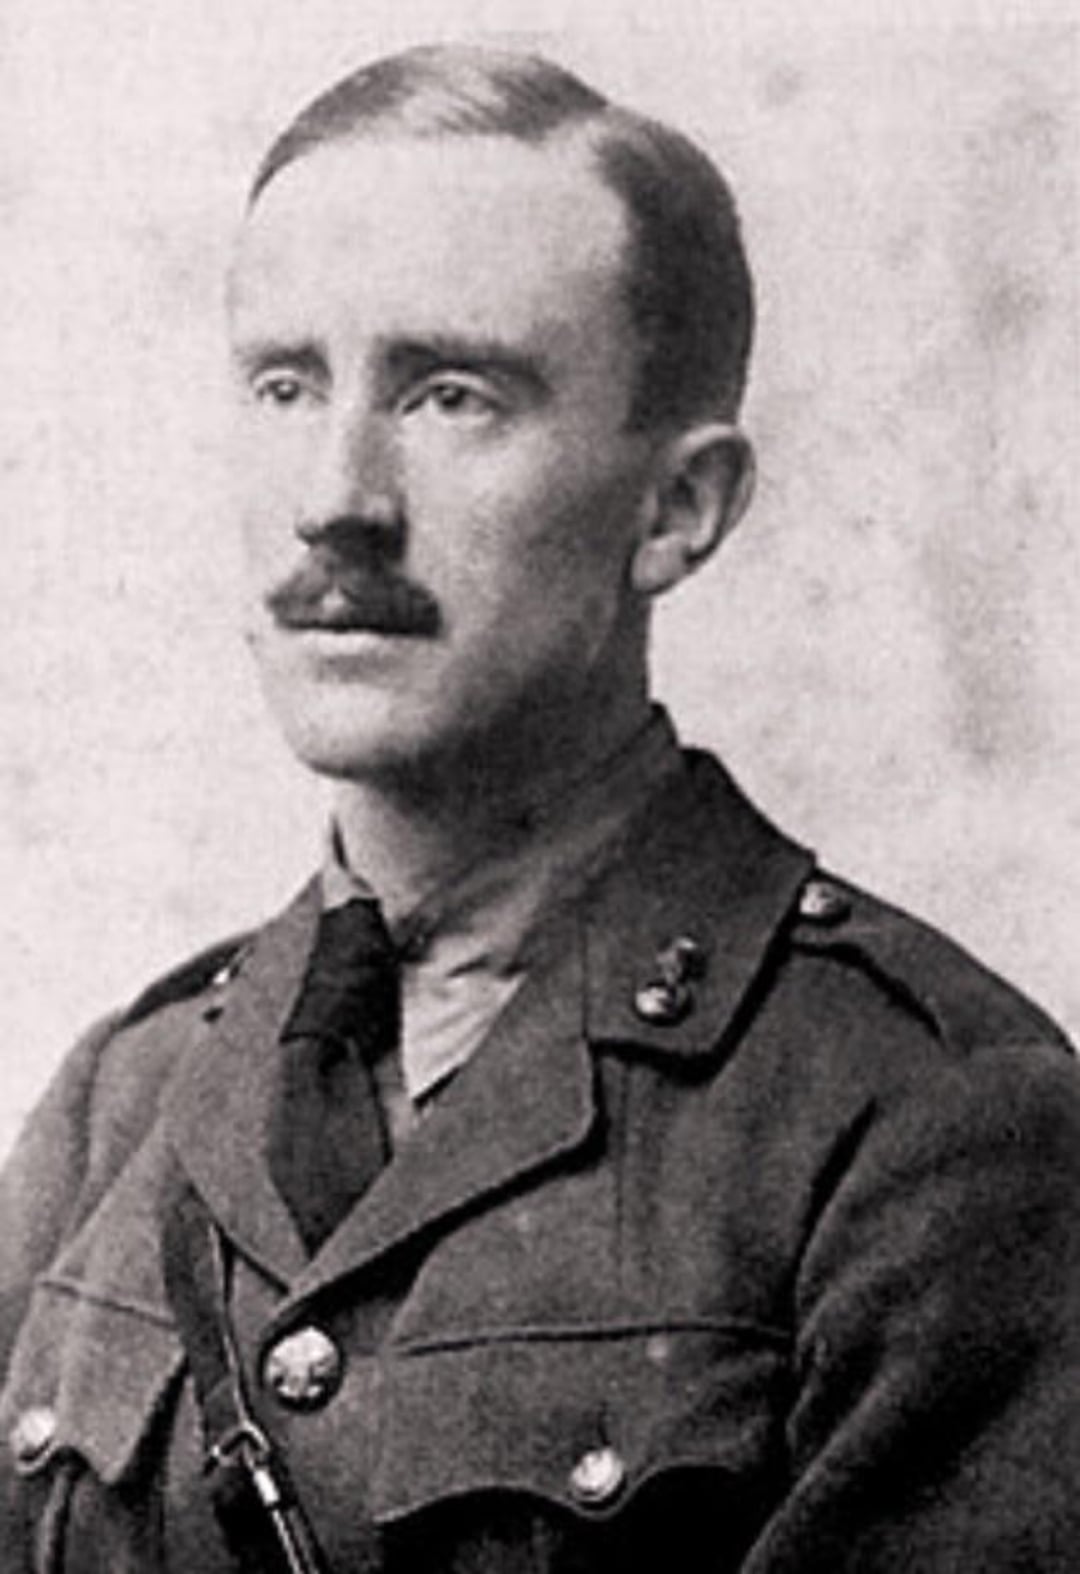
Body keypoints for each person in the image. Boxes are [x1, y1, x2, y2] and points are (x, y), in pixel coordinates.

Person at [1, 41, 1078, 1574]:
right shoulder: (127, 1098)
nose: (335, 495)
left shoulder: (925, 1126)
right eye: (285, 384)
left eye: (452, 395)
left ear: (677, 508)